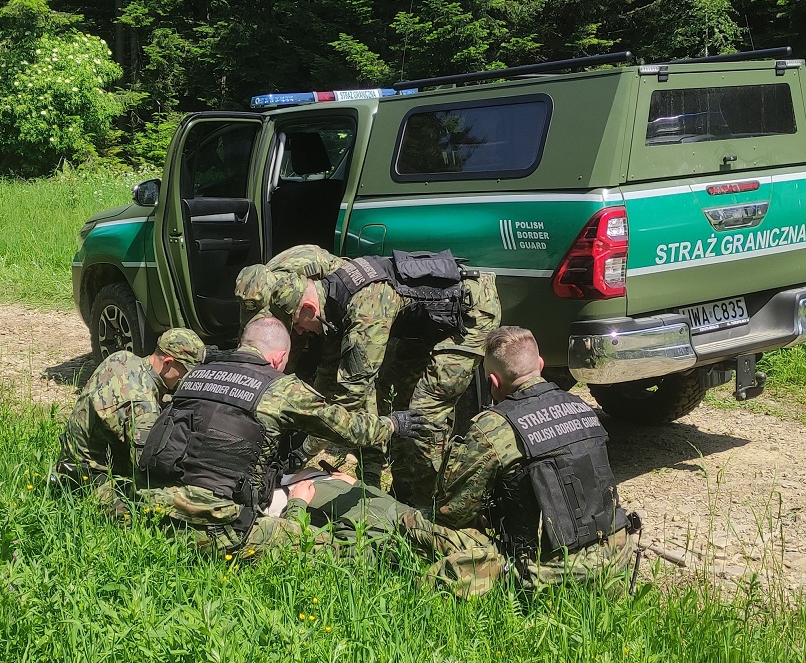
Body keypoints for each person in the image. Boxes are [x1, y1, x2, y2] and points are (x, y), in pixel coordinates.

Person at [289, 326, 638, 598]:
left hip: (542, 575)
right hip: (613, 562)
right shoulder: (584, 411)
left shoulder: (494, 428)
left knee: (407, 521)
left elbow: (450, 512)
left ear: (492, 381)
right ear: (541, 366)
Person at [136, 316, 433, 555]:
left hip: (157, 511)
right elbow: (348, 429)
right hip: (217, 527)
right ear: (279, 358)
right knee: (343, 548)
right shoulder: (281, 389)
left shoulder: (193, 375)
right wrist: (393, 424)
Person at [235, 244, 500, 501]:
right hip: (426, 324)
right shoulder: (331, 293)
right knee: (391, 396)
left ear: (309, 308)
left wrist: (302, 452)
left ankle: (431, 503)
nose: (300, 333)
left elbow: (350, 398)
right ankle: (403, 492)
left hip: (470, 315)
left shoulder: (364, 313)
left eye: (298, 325)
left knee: (424, 409)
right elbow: (332, 381)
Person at [56, 328, 206, 516]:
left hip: (71, 456)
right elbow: (144, 473)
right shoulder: (143, 407)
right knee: (141, 515)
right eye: (184, 373)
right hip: (88, 476)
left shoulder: (122, 358)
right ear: (168, 363)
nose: (184, 380)